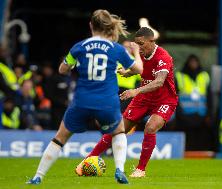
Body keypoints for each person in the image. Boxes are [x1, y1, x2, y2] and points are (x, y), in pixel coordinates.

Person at [26, 9, 143, 185]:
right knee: (119, 132)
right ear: (109, 27)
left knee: (59, 138)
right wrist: (135, 53)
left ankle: (37, 177)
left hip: (82, 100)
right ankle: (119, 170)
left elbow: (62, 70)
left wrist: (74, 64)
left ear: (91, 26)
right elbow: (138, 70)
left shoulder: (79, 47)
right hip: (107, 102)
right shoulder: (116, 49)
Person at [76, 27, 178, 178]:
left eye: (142, 43)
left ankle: (140, 170)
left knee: (150, 127)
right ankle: (87, 160)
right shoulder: (142, 55)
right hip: (144, 98)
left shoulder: (163, 57)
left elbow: (159, 82)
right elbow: (141, 69)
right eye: (137, 43)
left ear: (152, 41)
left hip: (164, 100)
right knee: (117, 129)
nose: (139, 47)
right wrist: (127, 72)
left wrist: (135, 91)